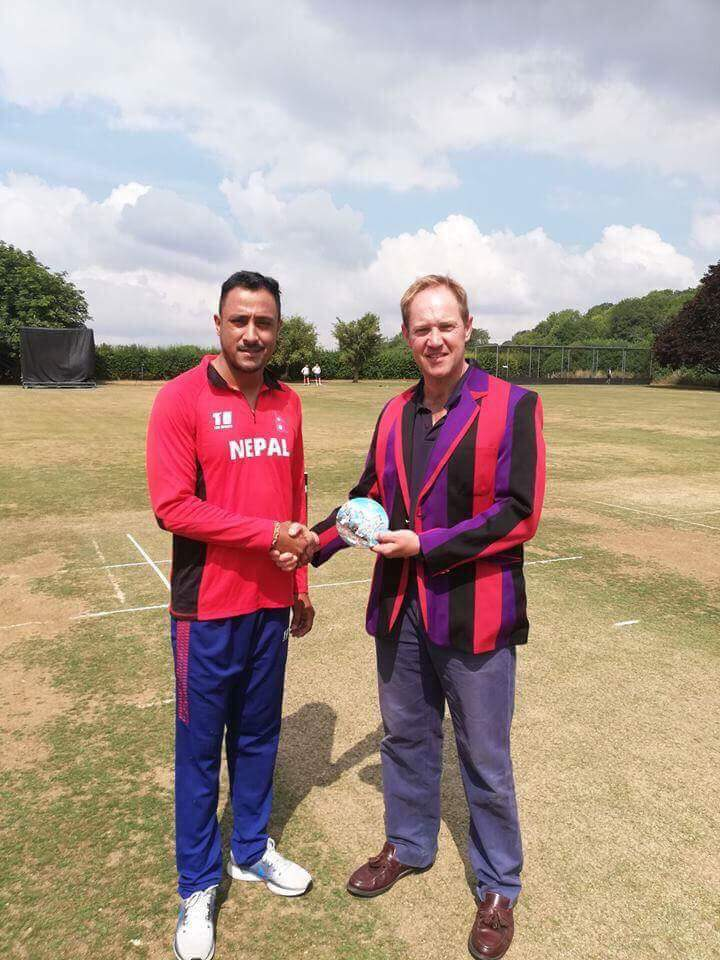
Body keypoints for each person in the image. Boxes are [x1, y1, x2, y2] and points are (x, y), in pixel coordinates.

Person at [306, 275, 545, 960]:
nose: (434, 339)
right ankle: (408, 844)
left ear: (467, 328)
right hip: (400, 608)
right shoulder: (394, 412)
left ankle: (498, 886)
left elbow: (518, 512)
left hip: (476, 610)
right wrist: (311, 545)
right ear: (407, 336)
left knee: (485, 756)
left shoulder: (514, 405)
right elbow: (368, 497)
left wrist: (428, 545)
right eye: (421, 328)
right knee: (405, 736)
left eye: (445, 325)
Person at [146, 270, 319, 960]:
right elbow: (173, 507)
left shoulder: (288, 402)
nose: (252, 333)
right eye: (239, 320)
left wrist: (298, 581)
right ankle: (197, 885)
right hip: (205, 610)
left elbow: (294, 498)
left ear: (278, 330)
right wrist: (266, 535)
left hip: (270, 607)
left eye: (264, 322)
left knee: (258, 737)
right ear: (217, 323)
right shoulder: (180, 398)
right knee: (198, 752)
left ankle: (249, 848)